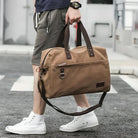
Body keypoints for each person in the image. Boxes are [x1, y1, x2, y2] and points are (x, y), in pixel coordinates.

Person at [5, 0, 99, 135]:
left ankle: (36, 119)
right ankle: (85, 112)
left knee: (41, 63)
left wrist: (74, 4)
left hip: (54, 9)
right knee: (59, 64)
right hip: (48, 9)